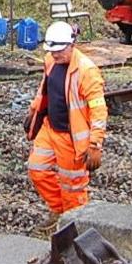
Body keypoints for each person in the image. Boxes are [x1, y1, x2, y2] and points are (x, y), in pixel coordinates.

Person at [24, 21, 107, 215]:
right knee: (37, 170)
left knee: (73, 187)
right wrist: (33, 110)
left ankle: (74, 224)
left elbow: (99, 109)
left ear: (72, 45)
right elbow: (44, 90)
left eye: (59, 51)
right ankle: (59, 212)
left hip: (71, 138)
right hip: (49, 128)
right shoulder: (50, 60)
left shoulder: (87, 71)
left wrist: (95, 144)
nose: (55, 55)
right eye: (52, 51)